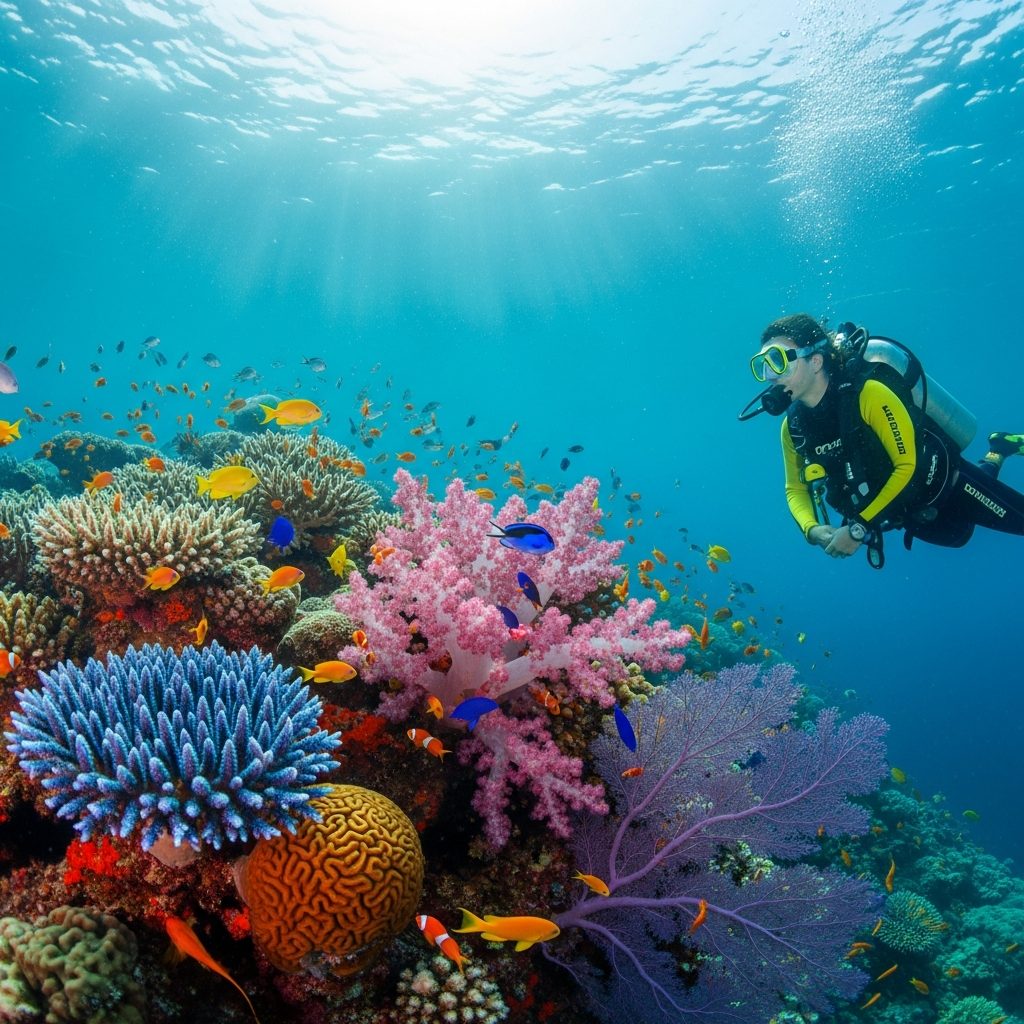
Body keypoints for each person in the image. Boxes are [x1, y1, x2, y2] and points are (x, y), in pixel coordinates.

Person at [750, 313, 1024, 564]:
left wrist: (858, 527)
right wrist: (812, 530)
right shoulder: (793, 427)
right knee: (961, 535)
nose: (769, 376)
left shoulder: (868, 394)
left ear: (816, 360)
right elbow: (795, 488)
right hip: (909, 515)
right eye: (762, 365)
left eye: (778, 360)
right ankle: (998, 449)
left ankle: (997, 452)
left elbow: (909, 464)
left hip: (948, 485)